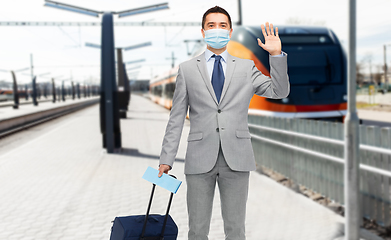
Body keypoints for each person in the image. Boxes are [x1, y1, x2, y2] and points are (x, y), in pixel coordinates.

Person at [158, 5, 290, 240]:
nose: (216, 30)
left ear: (229, 32)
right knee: (197, 230)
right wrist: (166, 159)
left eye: (222, 25)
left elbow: (278, 91)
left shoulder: (247, 67)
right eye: (211, 26)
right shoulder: (187, 70)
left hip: (237, 158)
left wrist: (276, 56)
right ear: (202, 32)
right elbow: (176, 117)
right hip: (199, 159)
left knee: (236, 230)